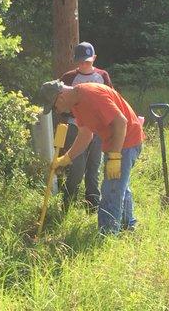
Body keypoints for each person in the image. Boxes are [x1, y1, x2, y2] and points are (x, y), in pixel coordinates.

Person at [39, 80, 144, 234]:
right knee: (119, 186)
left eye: (54, 107)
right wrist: (66, 159)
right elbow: (85, 135)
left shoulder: (91, 95)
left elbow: (121, 122)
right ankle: (128, 226)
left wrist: (115, 157)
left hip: (126, 143)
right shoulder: (77, 104)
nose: (57, 111)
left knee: (112, 190)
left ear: (60, 97)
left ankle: (107, 234)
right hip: (116, 143)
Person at [59, 42, 113, 212]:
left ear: (94, 59)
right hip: (76, 126)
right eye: (81, 61)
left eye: (88, 61)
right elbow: (60, 104)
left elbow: (111, 100)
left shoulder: (102, 76)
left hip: (98, 129)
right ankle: (67, 202)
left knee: (94, 167)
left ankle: (93, 203)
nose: (84, 65)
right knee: (77, 167)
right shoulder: (68, 78)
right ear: (76, 60)